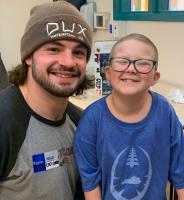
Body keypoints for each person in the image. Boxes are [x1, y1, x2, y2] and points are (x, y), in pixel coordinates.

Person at [0, 1, 92, 200]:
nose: (68, 62)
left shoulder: (82, 123)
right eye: (54, 49)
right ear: (28, 57)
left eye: (78, 52)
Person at [74, 33, 184, 200]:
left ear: (155, 77)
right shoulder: (91, 120)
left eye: (143, 63)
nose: (131, 68)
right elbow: (90, 181)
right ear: (108, 73)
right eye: (122, 61)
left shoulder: (165, 112)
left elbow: (180, 172)